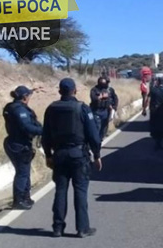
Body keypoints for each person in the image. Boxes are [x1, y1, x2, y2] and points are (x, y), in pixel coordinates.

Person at [42, 78, 102, 238]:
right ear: (75, 90)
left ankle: (57, 228)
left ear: (60, 91)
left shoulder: (51, 108)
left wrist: (48, 155)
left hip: (59, 155)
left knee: (60, 191)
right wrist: (97, 155)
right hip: (78, 155)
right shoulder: (82, 108)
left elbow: (45, 135)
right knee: (80, 191)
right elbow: (93, 135)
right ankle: (82, 228)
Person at [2, 86, 43, 210]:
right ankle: (18, 200)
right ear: (25, 97)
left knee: (24, 171)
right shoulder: (19, 110)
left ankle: (25, 197)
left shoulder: (11, 107)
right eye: (29, 95)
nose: (30, 98)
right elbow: (27, 127)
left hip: (16, 143)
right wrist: (44, 131)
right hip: (18, 144)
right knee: (22, 172)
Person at [142, 75, 163, 150]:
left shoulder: (153, 90)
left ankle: (156, 142)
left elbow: (147, 100)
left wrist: (144, 109)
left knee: (154, 126)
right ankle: (159, 142)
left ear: (157, 82)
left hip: (154, 112)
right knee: (161, 127)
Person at [90, 76, 118, 141]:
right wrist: (100, 97)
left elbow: (115, 99)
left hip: (106, 111)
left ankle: (100, 138)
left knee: (104, 127)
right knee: (97, 126)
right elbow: (93, 98)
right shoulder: (94, 89)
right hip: (96, 110)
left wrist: (114, 107)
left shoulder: (110, 90)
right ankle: (96, 141)